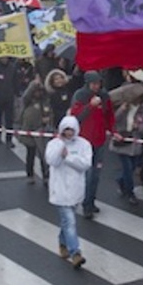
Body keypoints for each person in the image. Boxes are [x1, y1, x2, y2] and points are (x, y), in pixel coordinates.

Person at [45, 115, 92, 269]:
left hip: (76, 190)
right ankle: (75, 253)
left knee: (67, 222)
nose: (69, 133)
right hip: (60, 190)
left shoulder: (84, 144)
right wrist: (60, 149)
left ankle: (62, 242)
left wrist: (69, 157)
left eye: (71, 130)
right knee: (70, 222)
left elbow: (85, 164)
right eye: (66, 130)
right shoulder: (54, 144)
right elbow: (51, 161)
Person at [69, 70, 115, 219]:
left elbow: (109, 115)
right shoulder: (80, 96)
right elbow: (76, 117)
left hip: (99, 140)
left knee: (96, 174)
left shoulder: (104, 96)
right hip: (84, 141)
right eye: (93, 84)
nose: (96, 86)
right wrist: (90, 106)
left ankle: (91, 201)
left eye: (98, 83)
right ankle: (86, 205)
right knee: (88, 174)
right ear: (87, 83)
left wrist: (112, 130)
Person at [113, 94, 143, 205]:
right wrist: (121, 109)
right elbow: (113, 120)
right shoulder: (122, 108)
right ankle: (130, 192)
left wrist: (138, 127)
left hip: (135, 143)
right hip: (122, 142)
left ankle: (121, 180)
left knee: (133, 166)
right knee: (128, 168)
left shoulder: (141, 110)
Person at [20, 76, 52, 184]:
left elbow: (50, 112)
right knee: (31, 154)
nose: (38, 93)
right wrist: (34, 84)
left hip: (42, 129)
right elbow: (25, 96)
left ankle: (46, 175)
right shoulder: (28, 101)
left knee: (44, 154)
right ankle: (30, 174)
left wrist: (48, 119)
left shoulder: (46, 100)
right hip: (30, 129)